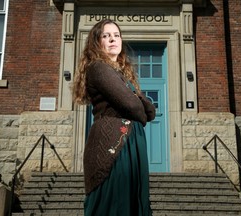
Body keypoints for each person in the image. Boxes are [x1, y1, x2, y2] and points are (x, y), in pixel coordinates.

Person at [73, 19, 156, 216]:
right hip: (112, 146)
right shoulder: (99, 69)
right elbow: (133, 106)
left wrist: (138, 102)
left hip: (129, 144)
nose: (113, 39)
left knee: (130, 204)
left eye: (116, 35)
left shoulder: (120, 74)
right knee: (113, 204)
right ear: (97, 42)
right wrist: (138, 102)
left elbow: (150, 112)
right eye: (106, 35)